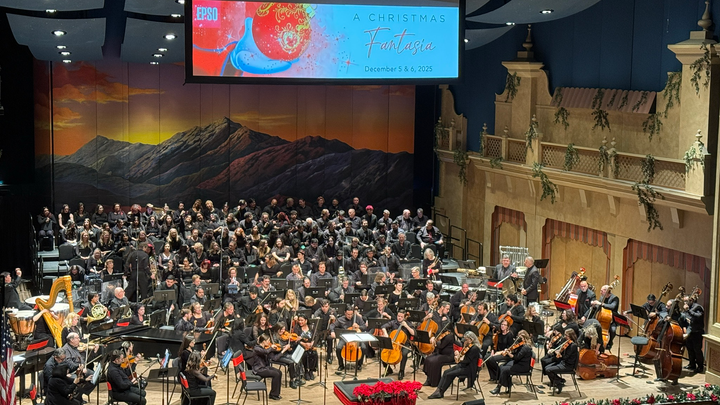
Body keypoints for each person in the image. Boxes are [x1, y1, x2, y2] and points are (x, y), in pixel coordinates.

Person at [428, 332, 482, 399]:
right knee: (445, 372)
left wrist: (459, 359)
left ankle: (441, 392)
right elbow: (464, 357)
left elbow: (467, 360)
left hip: (469, 369)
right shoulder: (468, 346)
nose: (465, 341)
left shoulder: (474, 348)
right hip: (463, 366)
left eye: (467, 339)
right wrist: (459, 354)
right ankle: (438, 390)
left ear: (471, 339)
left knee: (449, 374)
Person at [490, 330, 534, 395]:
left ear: (524, 339)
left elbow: (516, 357)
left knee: (505, 369)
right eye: (517, 338)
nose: (518, 340)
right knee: (502, 366)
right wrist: (511, 351)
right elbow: (516, 354)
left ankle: (498, 387)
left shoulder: (526, 348)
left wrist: (508, 353)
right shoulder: (521, 346)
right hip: (518, 363)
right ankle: (508, 385)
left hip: (523, 366)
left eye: (520, 338)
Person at [330, 306, 368, 372]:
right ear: (345, 313)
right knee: (339, 348)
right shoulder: (340, 319)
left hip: (357, 337)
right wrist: (332, 331)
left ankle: (359, 364)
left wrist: (359, 326)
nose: (350, 316)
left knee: (363, 348)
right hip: (345, 338)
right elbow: (332, 325)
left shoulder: (357, 318)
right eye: (348, 314)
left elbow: (364, 326)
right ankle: (341, 365)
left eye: (351, 314)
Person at [379, 311, 415, 379]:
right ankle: (389, 369)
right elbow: (383, 326)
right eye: (398, 316)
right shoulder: (393, 322)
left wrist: (406, 326)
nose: (399, 318)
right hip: (394, 343)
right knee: (382, 352)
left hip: (404, 344)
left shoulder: (408, 323)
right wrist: (386, 334)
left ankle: (401, 371)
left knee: (404, 354)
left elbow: (413, 333)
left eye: (401, 317)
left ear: (404, 317)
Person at [544, 329, 579, 394]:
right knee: (546, 368)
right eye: (565, 335)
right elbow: (563, 354)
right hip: (563, 363)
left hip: (568, 365)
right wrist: (555, 352)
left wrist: (558, 354)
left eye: (567, 335)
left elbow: (565, 357)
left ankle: (558, 383)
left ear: (571, 336)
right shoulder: (567, 343)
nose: (565, 337)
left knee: (549, 370)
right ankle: (558, 381)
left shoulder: (573, 346)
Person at [586, 284, 620, 349]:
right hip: (603, 318)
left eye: (602, 291)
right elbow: (598, 307)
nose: (600, 292)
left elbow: (612, 306)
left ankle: (610, 342)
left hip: (612, 319)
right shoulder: (602, 297)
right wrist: (595, 304)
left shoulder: (615, 298)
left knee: (613, 330)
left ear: (606, 291)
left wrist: (601, 304)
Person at [254, 335, 284, 400]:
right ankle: (273, 395)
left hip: (265, 367)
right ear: (264, 341)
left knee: (279, 372)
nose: (269, 342)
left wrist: (282, 350)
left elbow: (274, 358)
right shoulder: (257, 348)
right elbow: (265, 352)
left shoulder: (265, 348)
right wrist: (271, 348)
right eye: (268, 340)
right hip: (259, 369)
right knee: (276, 374)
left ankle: (275, 393)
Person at [681, 294, 705, 373]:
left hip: (697, 332)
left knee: (697, 350)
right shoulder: (686, 308)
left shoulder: (698, 307)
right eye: (684, 301)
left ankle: (700, 367)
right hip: (689, 332)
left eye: (686, 301)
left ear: (691, 300)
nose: (685, 303)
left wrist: (688, 310)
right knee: (690, 349)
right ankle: (692, 364)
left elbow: (698, 316)